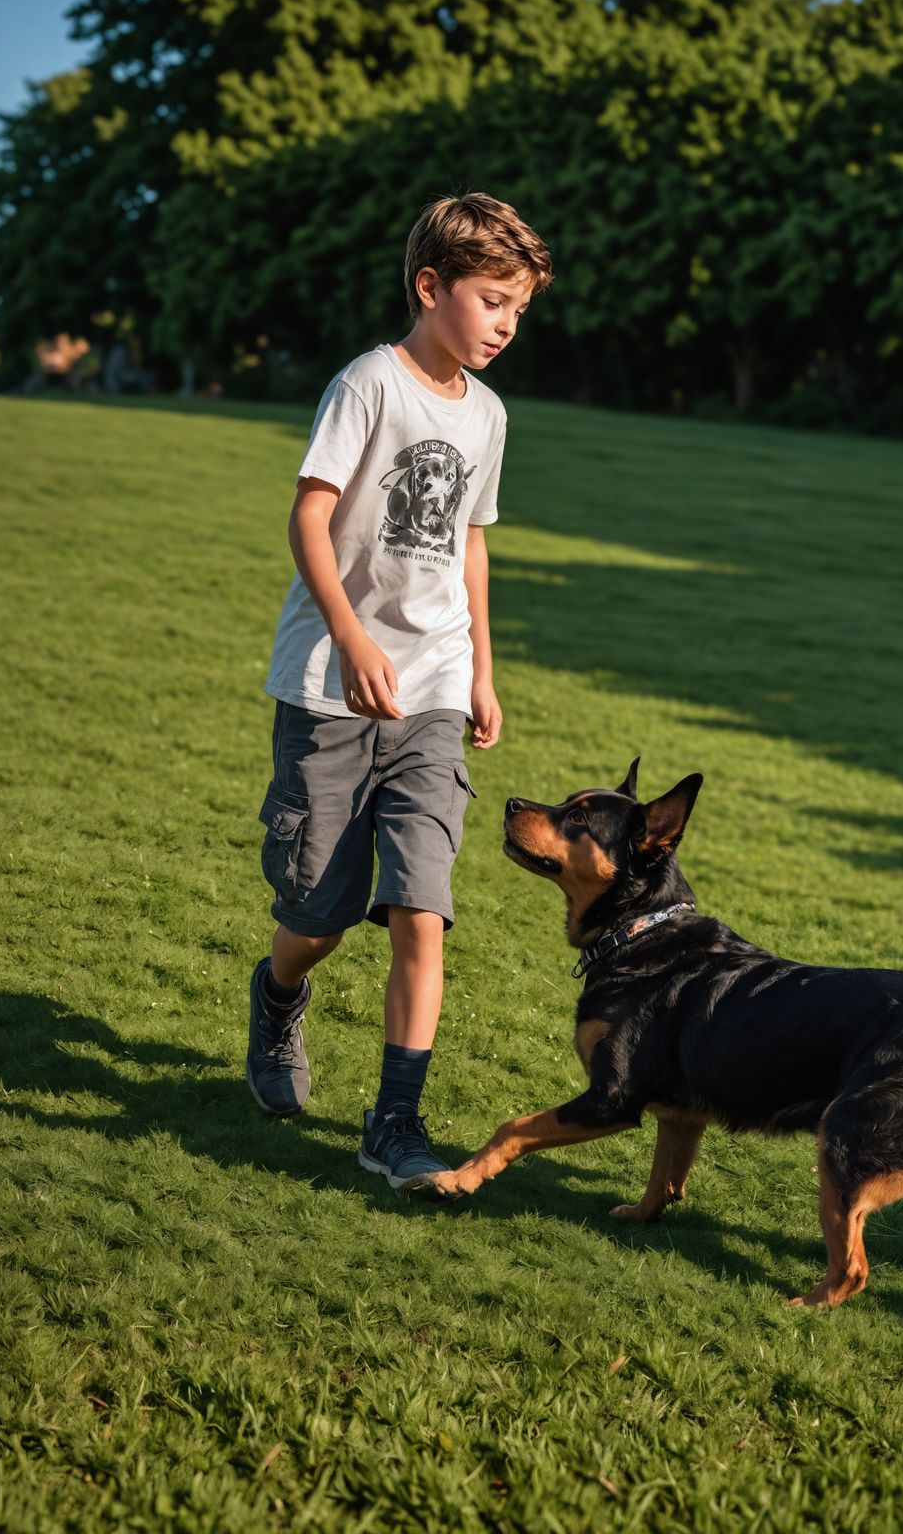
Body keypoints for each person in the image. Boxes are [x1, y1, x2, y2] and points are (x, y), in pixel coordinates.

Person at [249, 191, 552, 1190]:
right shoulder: (369, 384)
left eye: (519, 308)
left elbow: (470, 544)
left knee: (422, 906)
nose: (507, 325)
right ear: (431, 287)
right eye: (493, 301)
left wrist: (481, 670)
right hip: (330, 692)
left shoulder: (489, 414)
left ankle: (395, 1121)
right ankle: (277, 994)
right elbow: (309, 515)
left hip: (431, 696)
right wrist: (350, 638)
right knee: (319, 917)